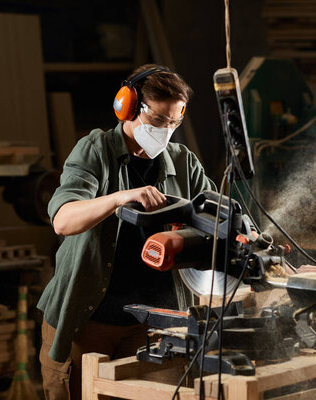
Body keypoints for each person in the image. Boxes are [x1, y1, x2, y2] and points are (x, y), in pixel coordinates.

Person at [37, 64, 215, 400]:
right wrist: (120, 197)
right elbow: (63, 220)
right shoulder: (95, 151)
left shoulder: (182, 161)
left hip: (150, 324)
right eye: (158, 123)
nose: (166, 133)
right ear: (127, 108)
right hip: (87, 323)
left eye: (174, 124)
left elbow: (218, 217)